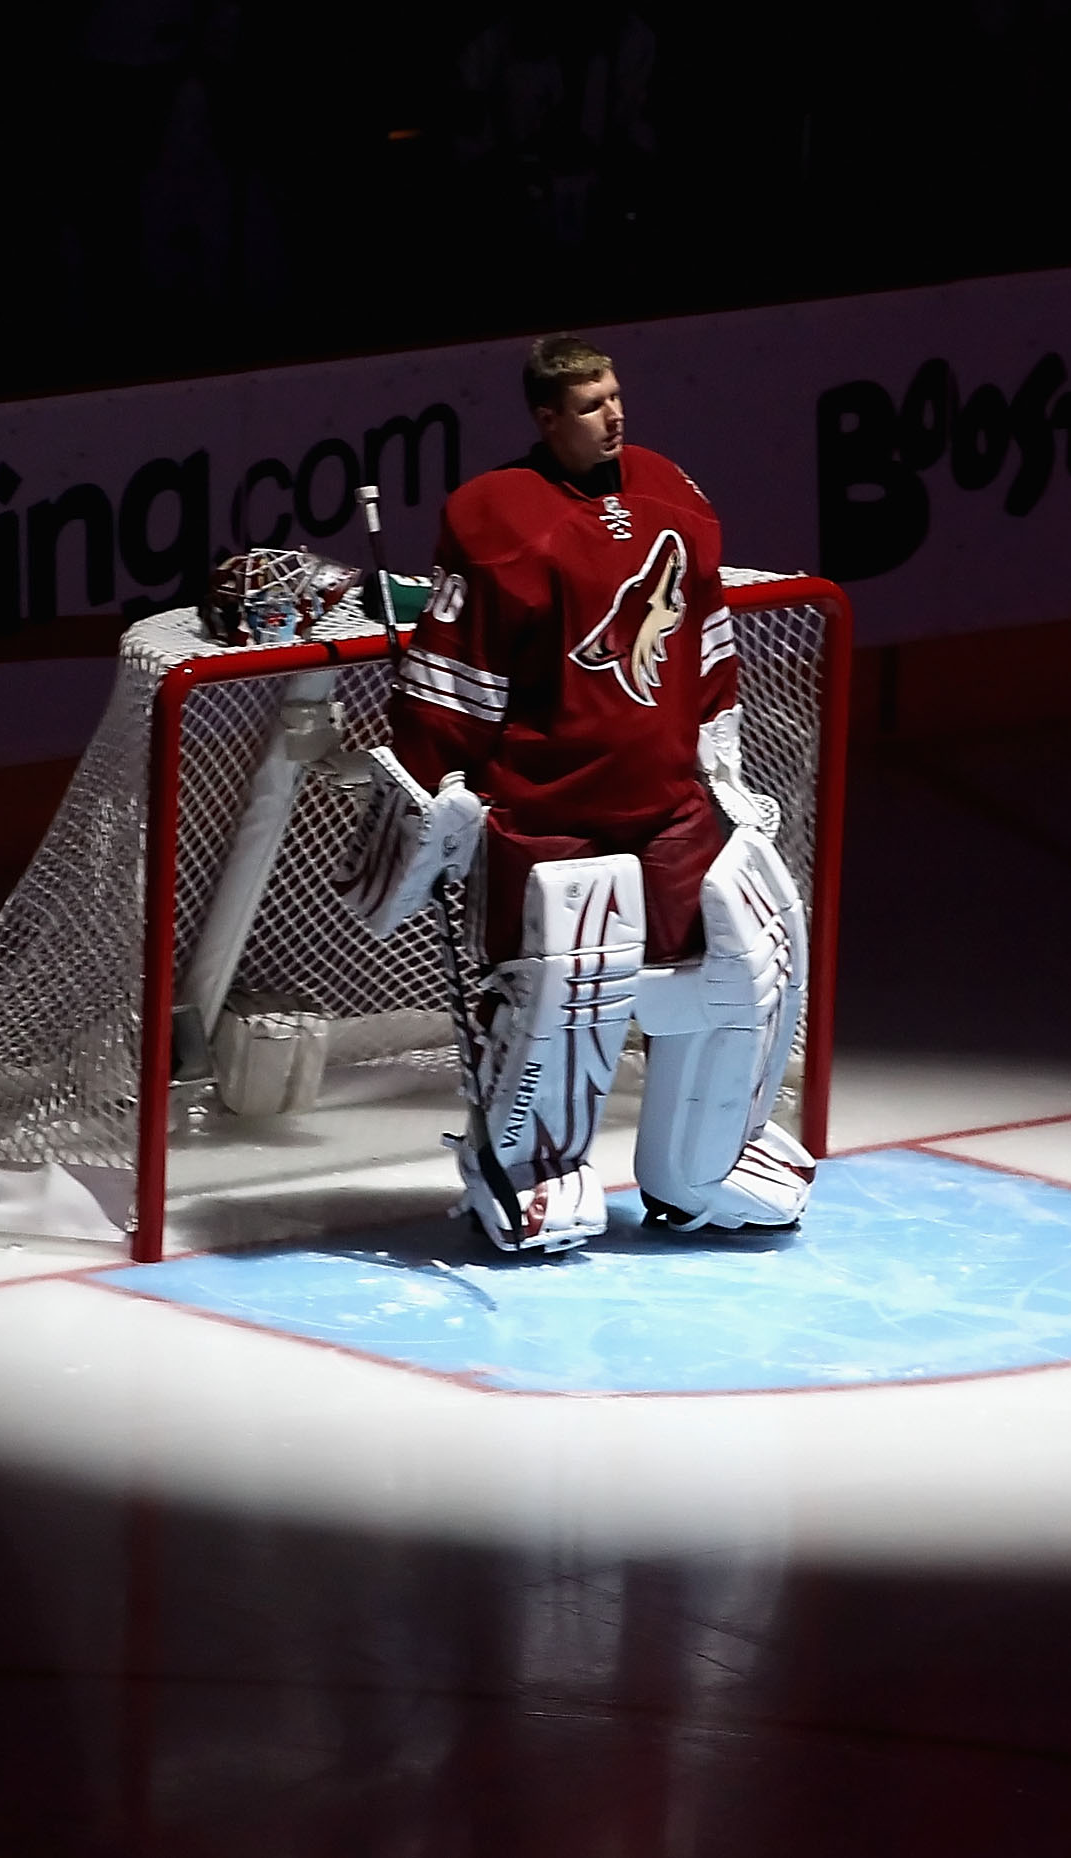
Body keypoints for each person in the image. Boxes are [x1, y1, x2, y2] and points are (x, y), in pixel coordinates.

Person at [345, 334, 814, 1253]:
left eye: (617, 396)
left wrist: (721, 764)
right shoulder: (498, 517)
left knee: (747, 958)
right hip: (551, 814)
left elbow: (706, 640)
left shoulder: (670, 489)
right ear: (546, 416)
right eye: (592, 404)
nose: (616, 415)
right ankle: (532, 1167)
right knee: (576, 970)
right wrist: (433, 799)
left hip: (672, 799)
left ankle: (704, 1164)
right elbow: (453, 682)